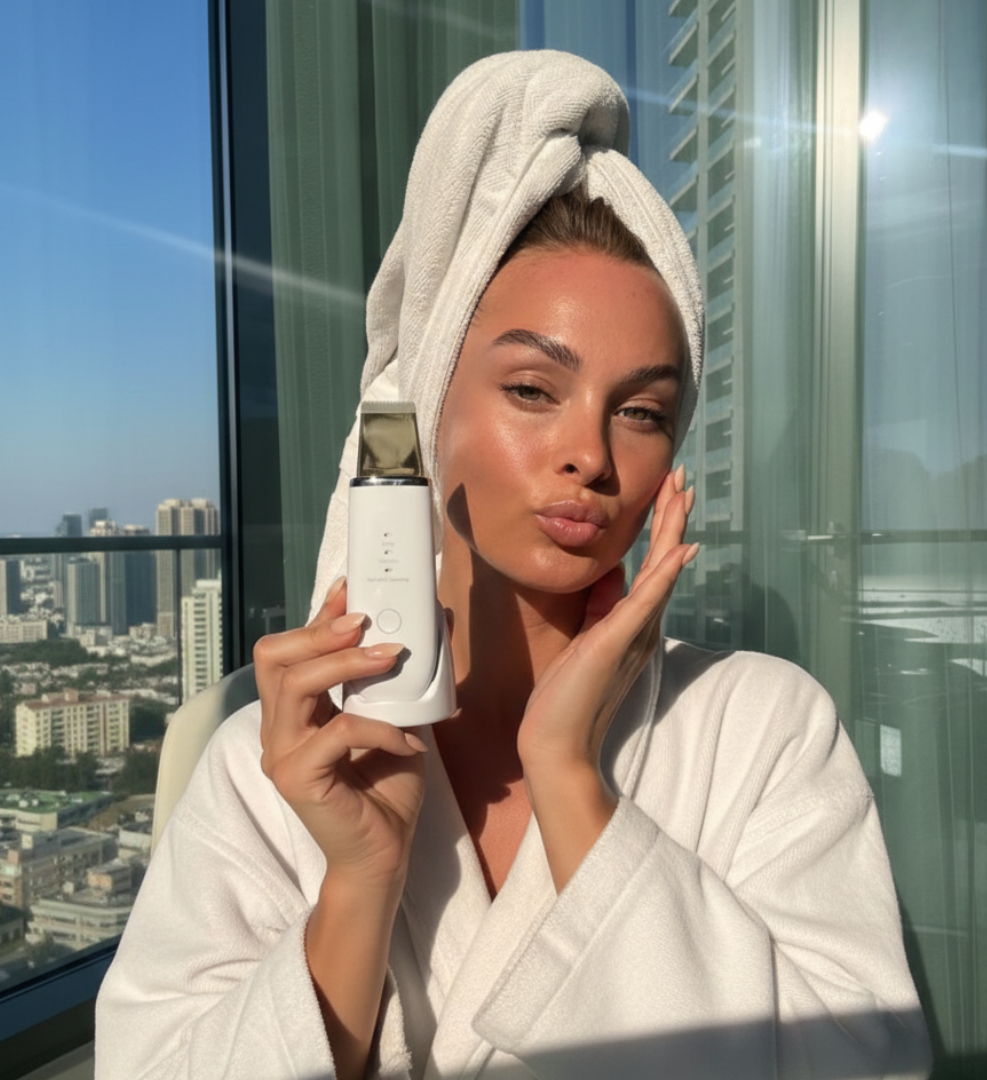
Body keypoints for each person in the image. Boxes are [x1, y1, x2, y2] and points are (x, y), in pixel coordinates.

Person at [95, 52, 931, 1080]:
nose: (591, 455)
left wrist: (570, 778)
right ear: (431, 405)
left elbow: (869, 1066)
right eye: (534, 389)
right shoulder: (274, 766)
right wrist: (359, 885)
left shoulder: (763, 730)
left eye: (642, 411)